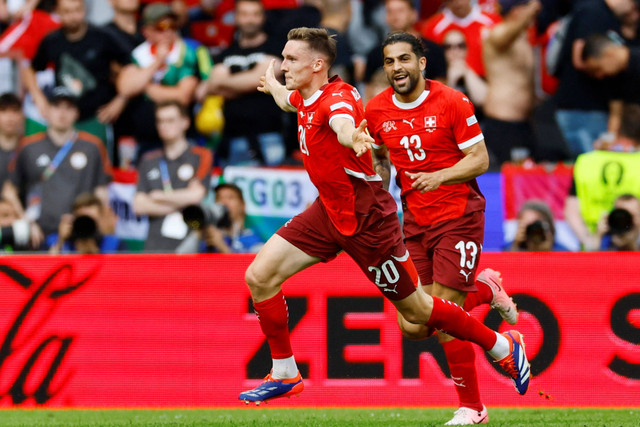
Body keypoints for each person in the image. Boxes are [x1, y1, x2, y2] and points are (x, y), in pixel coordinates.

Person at [238, 26, 530, 406]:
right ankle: (285, 373)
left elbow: (341, 122)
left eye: (291, 59)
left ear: (317, 64)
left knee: (418, 315)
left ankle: (499, 344)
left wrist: (350, 137)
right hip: (328, 211)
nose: (283, 64)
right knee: (259, 276)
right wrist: (276, 89)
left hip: (367, 221)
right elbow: (293, 103)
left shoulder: (340, 100)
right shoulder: (307, 95)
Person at [366, 32, 520, 425]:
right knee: (413, 324)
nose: (396, 68)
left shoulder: (452, 100)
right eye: (389, 61)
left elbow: (481, 159)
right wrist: (380, 192)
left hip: (458, 215)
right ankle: (486, 288)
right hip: (414, 221)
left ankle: (473, 408)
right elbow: (381, 157)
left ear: (421, 63)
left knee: (445, 311)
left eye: (404, 59)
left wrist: (442, 176)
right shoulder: (377, 110)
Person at [3, 87, 112, 248]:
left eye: (68, 108)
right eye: (56, 107)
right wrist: (26, 221)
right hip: (38, 235)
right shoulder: (28, 147)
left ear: (77, 113)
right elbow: (10, 192)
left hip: (80, 235)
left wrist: (101, 228)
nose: (62, 113)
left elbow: (102, 193)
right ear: (46, 110)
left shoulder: (92, 146)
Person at [22, 0, 131, 151]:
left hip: (96, 117)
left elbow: (132, 66)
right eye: (66, 11)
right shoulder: (52, 41)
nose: (73, 16)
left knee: (97, 166)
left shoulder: (102, 37)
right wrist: (39, 99)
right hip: (64, 117)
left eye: (77, 10)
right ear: (58, 13)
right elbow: (30, 69)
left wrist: (121, 100)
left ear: (84, 10)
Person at [195, 0, 286, 166]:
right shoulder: (226, 53)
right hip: (231, 138)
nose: (250, 20)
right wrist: (248, 83)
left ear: (263, 17)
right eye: (244, 14)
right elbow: (201, 92)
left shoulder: (276, 47)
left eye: (255, 14)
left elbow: (259, 79)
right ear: (236, 17)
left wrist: (222, 84)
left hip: (268, 136)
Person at [552, 0, 639, 157]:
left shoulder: (629, 63)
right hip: (582, 106)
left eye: (599, 69)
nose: (600, 75)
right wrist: (611, 139)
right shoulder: (593, 11)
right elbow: (616, 109)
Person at [117, 2, 201, 155]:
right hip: (145, 138)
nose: (168, 31)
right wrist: (157, 62)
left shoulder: (186, 53)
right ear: (146, 31)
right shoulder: (139, 55)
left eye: (173, 25)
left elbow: (182, 97)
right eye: (161, 26)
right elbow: (126, 88)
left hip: (181, 138)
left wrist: (146, 86)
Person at [133, 100, 212, 252]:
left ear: (185, 122)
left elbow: (196, 196)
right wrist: (183, 200)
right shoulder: (148, 160)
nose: (164, 125)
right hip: (154, 245)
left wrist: (157, 196)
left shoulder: (201, 155)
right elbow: (139, 205)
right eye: (160, 121)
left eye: (170, 120)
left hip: (190, 243)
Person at [564, 103, 640, 250]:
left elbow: (571, 210)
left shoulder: (587, 161)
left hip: (596, 250)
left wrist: (590, 242)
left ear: (616, 127)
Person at [482, 0, 541, 168]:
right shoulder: (498, 33)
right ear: (516, 11)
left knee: (528, 176)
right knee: (506, 178)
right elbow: (506, 36)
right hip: (502, 124)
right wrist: (531, 10)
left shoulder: (524, 38)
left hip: (525, 124)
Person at [363, 0, 446, 103]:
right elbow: (368, 97)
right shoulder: (375, 54)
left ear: (414, 14)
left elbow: (441, 93)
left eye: (400, 11)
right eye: (390, 11)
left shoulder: (433, 50)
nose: (395, 16)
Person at [419, 0, 502, 78]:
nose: (457, 2)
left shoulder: (492, 22)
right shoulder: (433, 27)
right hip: (447, 81)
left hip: (488, 79)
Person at [48, 192, 123, 254]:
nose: (86, 226)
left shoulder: (114, 244)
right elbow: (46, 268)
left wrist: (95, 253)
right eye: (83, 220)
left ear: (100, 220)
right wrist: (60, 242)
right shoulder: (54, 241)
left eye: (91, 221)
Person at [442, 29, 487, 111]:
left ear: (466, 49)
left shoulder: (476, 73)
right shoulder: (438, 76)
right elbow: (441, 108)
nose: (455, 51)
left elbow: (482, 100)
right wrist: (451, 82)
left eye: (460, 46)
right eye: (449, 47)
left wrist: (467, 72)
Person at [0, 93, 23, 189]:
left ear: (22, 115)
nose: (10, 118)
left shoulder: (30, 149)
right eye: (4, 111)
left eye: (14, 111)